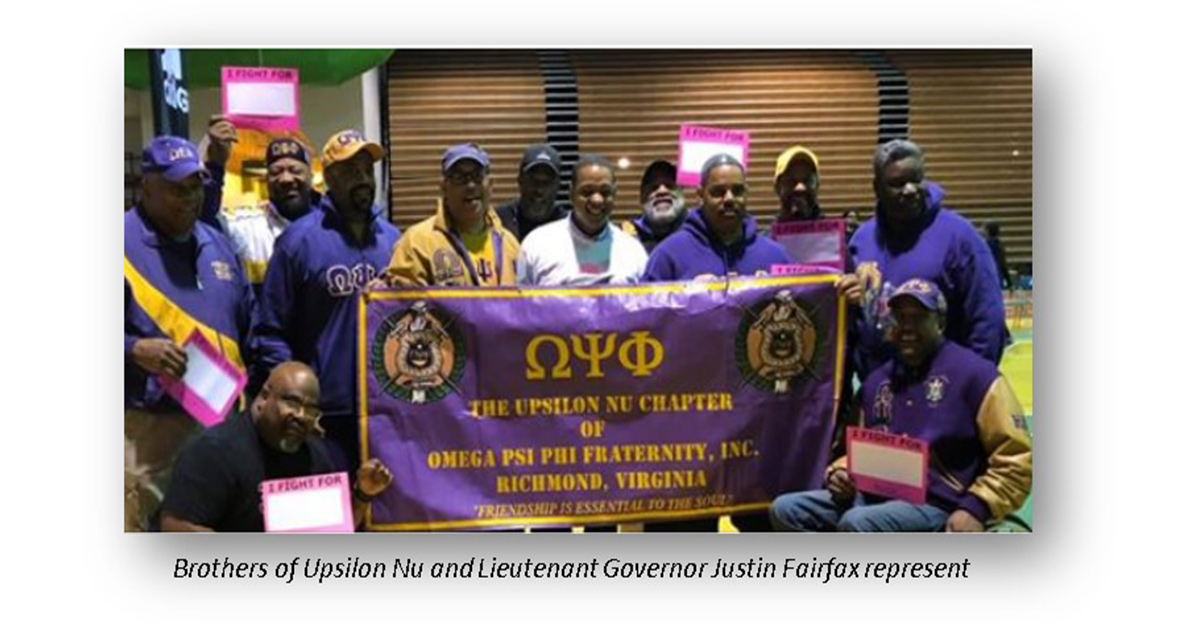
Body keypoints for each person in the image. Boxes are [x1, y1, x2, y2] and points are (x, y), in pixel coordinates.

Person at [769, 279, 1032, 532]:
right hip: (873, 495)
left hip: (938, 502)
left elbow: (1016, 458)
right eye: (899, 318)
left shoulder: (977, 376)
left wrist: (977, 507)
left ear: (940, 323)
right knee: (786, 509)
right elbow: (854, 450)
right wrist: (840, 472)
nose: (906, 327)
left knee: (857, 523)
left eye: (918, 318)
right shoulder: (876, 382)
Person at [124, 136, 256, 531]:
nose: (190, 198)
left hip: (222, 420)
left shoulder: (217, 242)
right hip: (149, 426)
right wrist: (132, 348)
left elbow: (250, 322)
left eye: (196, 187)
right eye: (177, 189)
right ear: (146, 187)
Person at [254, 130, 401, 471]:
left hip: (385, 410)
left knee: (381, 498)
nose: (362, 179)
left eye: (366, 170)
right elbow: (270, 333)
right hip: (323, 415)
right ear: (329, 177)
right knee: (331, 503)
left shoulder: (394, 240)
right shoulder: (298, 241)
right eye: (350, 171)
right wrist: (297, 405)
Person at [159, 362, 394, 532]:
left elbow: (330, 530)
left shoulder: (315, 458)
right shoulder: (214, 451)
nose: (300, 415)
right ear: (264, 398)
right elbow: (175, 527)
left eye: (311, 410)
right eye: (292, 402)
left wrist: (362, 494)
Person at [849, 139, 1008, 384]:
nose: (910, 189)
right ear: (877, 188)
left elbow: (987, 321)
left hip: (943, 391)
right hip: (878, 393)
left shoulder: (960, 238)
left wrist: (968, 388)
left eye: (916, 179)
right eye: (897, 183)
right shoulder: (861, 241)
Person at [384, 143, 520, 287]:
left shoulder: (510, 245)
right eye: (459, 178)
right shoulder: (416, 243)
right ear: (444, 188)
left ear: (491, 185)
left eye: (477, 176)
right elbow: (401, 298)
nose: (470, 185)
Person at [642, 154, 791, 282]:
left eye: (737, 191)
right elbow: (643, 306)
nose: (729, 199)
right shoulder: (668, 256)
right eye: (718, 192)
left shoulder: (775, 256)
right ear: (700, 196)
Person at [518, 153, 648, 286]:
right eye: (587, 191)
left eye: (605, 192)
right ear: (571, 194)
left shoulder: (633, 251)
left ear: (614, 194)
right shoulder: (536, 245)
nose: (597, 200)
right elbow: (520, 297)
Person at [217, 137, 322, 291]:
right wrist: (214, 165)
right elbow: (205, 220)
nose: (286, 179)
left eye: (295, 170)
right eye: (276, 172)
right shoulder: (245, 228)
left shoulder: (333, 226)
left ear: (311, 176)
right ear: (266, 180)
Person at [495, 144, 568, 242]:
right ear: (520, 180)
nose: (539, 190)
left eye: (546, 182)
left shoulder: (567, 227)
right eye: (533, 180)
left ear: (558, 185)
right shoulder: (499, 222)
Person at [619, 159, 687, 253]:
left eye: (669, 185)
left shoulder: (698, 232)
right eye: (653, 187)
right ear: (642, 198)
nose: (662, 191)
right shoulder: (625, 238)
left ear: (682, 193)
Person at [772, 144, 822, 224]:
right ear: (777, 187)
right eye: (791, 181)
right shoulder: (769, 232)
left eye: (807, 181)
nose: (800, 188)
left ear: (817, 185)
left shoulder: (834, 231)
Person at [985, 221, 1012, 290]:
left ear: (987, 231)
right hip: (998, 275)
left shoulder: (984, 245)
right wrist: (1009, 281)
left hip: (987, 276)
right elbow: (1003, 263)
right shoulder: (999, 245)